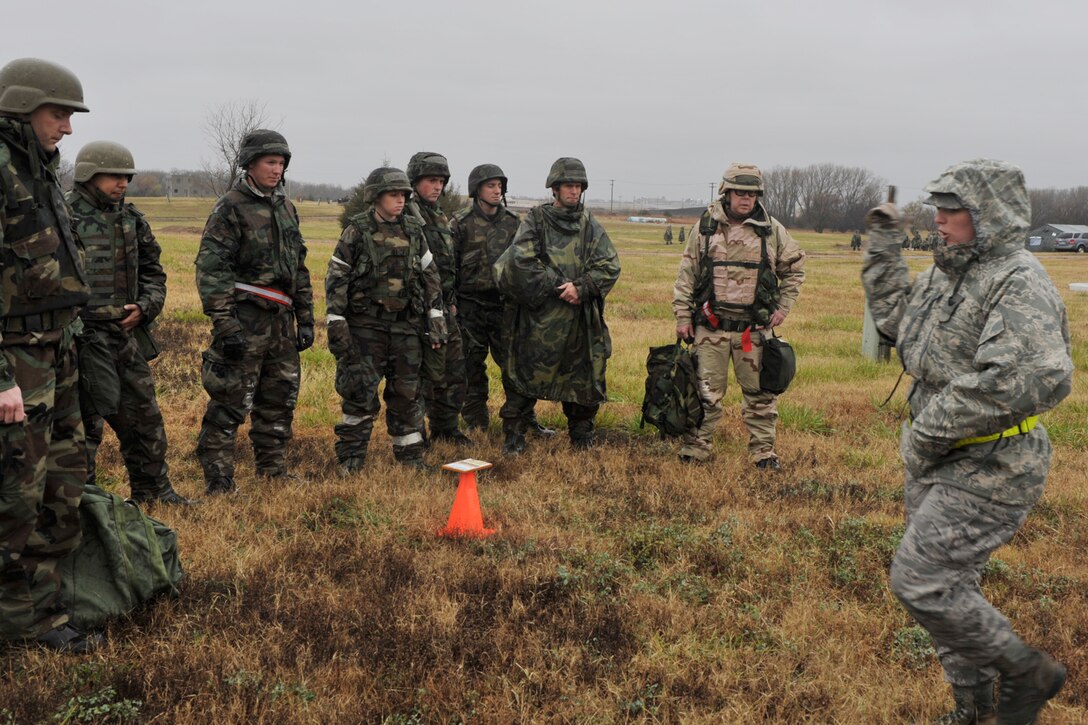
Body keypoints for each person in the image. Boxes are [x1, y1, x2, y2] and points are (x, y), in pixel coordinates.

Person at [862, 159, 1071, 725]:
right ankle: (973, 710)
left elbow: (1025, 379)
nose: (941, 219)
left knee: (920, 579)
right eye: (939, 208)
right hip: (937, 460)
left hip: (995, 462)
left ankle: (1027, 672)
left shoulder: (1017, 279)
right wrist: (883, 246)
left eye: (953, 210)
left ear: (988, 214)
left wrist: (927, 433)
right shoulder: (945, 275)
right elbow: (895, 325)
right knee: (951, 591)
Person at [0, 58, 101, 652]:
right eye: (59, 113)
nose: (67, 127)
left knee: (61, 487)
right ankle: (16, 625)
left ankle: (45, 612)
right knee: (15, 494)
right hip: (14, 362)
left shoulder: (38, 171)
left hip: (56, 352)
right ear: (19, 105)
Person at [66, 141, 190, 505]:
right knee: (84, 424)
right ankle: (82, 502)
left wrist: (147, 306)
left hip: (125, 335)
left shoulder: (131, 218)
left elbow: (154, 272)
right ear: (89, 175)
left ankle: (154, 491)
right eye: (113, 176)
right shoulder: (63, 215)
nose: (122, 183)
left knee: (144, 416)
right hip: (80, 339)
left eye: (126, 177)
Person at [194, 129, 314, 495]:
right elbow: (212, 270)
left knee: (278, 399)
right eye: (269, 162)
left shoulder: (286, 208)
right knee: (230, 400)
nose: (276, 170)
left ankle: (273, 469)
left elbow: (300, 266)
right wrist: (225, 324)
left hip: (281, 322)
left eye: (281, 163)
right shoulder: (230, 208)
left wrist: (306, 316)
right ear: (249, 164)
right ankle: (218, 478)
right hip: (245, 320)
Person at [672, 162, 805, 470]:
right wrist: (682, 317)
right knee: (705, 392)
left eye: (752, 193)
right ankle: (696, 447)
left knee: (761, 395)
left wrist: (783, 306)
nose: (746, 198)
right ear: (726, 193)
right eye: (739, 192)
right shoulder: (705, 227)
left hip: (753, 332)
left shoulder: (772, 230)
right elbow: (687, 275)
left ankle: (763, 453)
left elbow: (795, 267)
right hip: (711, 327)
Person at [494, 157, 620, 454]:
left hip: (579, 318)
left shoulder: (590, 224)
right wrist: (558, 285)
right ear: (555, 188)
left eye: (577, 186)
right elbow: (519, 261)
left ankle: (582, 434)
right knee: (525, 375)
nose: (573, 191)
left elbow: (610, 264)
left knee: (583, 376)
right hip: (539, 317)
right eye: (568, 185)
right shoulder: (537, 220)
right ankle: (515, 435)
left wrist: (583, 287)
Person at [325, 167, 445, 471]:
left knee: (407, 394)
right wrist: (336, 320)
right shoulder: (357, 230)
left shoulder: (415, 231)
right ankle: (352, 458)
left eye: (404, 195)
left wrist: (435, 317)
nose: (401, 200)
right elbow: (337, 277)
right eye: (394, 195)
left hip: (406, 328)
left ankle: (411, 458)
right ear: (376, 197)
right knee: (359, 393)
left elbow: (431, 277)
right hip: (366, 328)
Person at [451, 164, 555, 438]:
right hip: (470, 306)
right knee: (471, 367)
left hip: (504, 307)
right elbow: (449, 268)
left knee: (515, 367)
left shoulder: (513, 223)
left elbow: (527, 261)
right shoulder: (460, 223)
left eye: (500, 186)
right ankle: (476, 422)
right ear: (477, 190)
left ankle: (524, 418)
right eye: (491, 186)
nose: (497, 191)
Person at [405, 151, 468, 445]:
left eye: (441, 181)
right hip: (418, 310)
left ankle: (447, 428)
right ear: (416, 181)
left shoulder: (440, 215)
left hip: (445, 308)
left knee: (452, 371)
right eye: (431, 180)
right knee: (420, 376)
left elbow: (448, 263)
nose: (438, 186)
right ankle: (417, 433)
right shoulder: (406, 214)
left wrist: (450, 300)